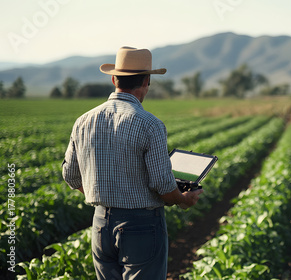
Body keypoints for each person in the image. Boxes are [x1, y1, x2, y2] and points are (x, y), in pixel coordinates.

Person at [62, 46, 203, 279]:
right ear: (147, 81)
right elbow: (162, 184)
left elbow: (70, 175)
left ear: (114, 78)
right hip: (142, 225)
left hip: (100, 223)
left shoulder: (83, 121)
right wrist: (183, 200)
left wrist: (106, 196)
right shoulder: (150, 124)